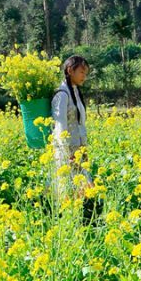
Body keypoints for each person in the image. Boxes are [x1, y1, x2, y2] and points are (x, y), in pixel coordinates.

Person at [51, 55, 100, 222]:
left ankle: (83, 219)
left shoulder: (76, 92)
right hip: (68, 151)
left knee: (84, 187)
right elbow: (60, 127)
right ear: (69, 70)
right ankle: (69, 221)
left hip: (79, 149)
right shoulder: (62, 94)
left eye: (85, 73)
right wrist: (66, 153)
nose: (84, 76)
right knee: (68, 188)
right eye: (81, 72)